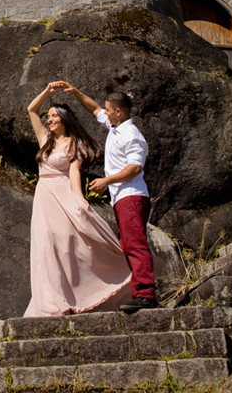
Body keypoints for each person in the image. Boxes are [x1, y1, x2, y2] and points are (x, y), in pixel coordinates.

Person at [22, 81, 132, 318]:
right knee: (45, 245)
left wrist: (80, 199)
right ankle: (50, 301)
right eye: (48, 116)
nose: (49, 120)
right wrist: (47, 92)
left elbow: (74, 173)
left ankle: (82, 291)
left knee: (68, 244)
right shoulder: (44, 139)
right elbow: (31, 110)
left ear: (63, 119)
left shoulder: (75, 144)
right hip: (44, 196)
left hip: (63, 193)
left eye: (53, 116)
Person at [55, 81, 157, 311]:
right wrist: (76, 91)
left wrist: (107, 181)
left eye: (109, 109)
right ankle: (141, 291)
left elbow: (135, 167)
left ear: (118, 112)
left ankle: (146, 294)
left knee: (135, 244)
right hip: (121, 198)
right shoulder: (115, 127)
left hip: (131, 196)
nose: (105, 112)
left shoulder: (131, 134)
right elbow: (94, 109)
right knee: (128, 243)